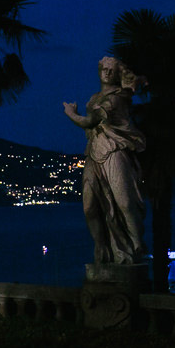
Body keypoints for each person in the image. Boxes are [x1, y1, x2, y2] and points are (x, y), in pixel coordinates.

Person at [64, 56, 147, 264]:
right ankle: (102, 248)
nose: (107, 72)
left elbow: (89, 121)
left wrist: (70, 113)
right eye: (104, 68)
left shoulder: (117, 97)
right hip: (93, 153)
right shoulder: (93, 99)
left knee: (125, 202)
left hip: (114, 150)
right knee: (89, 206)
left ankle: (135, 246)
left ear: (118, 75)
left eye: (111, 70)